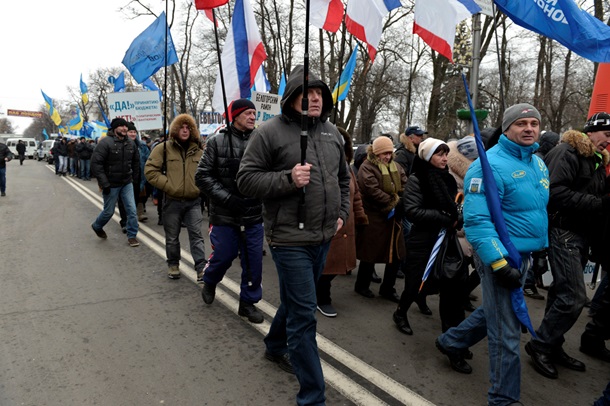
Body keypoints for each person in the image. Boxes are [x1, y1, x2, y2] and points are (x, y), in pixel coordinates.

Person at [236, 65, 350, 406]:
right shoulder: (269, 132)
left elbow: (344, 180)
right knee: (304, 316)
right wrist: (288, 178)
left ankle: (273, 345)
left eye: (320, 94)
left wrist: (342, 214)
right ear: (292, 98)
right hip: (289, 239)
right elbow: (246, 180)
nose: (315, 98)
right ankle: (313, 398)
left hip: (324, 236)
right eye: (307, 92)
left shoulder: (333, 133)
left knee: (297, 302)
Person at [436, 103, 549, 406]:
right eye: (521, 123)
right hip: (500, 257)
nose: (529, 129)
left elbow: (535, 211)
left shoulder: (538, 163)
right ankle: (503, 398)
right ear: (507, 128)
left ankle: (451, 340)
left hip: (524, 256)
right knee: (507, 333)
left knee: (498, 313)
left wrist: (540, 251)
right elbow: (477, 222)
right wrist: (499, 263)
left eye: (534, 123)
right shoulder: (487, 166)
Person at [525, 112, 610, 380]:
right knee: (574, 297)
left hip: (581, 234)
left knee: (560, 292)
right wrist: (599, 204)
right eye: (607, 135)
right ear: (592, 131)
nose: (609, 142)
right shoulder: (567, 152)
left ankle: (553, 344)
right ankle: (539, 344)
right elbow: (555, 192)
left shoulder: (595, 160)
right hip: (564, 232)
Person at [196, 99, 265, 324]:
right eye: (248, 113)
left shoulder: (262, 141)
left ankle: (247, 303)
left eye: (255, 113)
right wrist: (228, 198)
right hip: (224, 214)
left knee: (253, 261)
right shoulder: (217, 142)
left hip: (253, 213)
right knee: (224, 255)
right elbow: (202, 176)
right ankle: (210, 279)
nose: (253, 117)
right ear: (235, 116)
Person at [393, 138, 465, 335]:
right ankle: (400, 312)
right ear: (427, 156)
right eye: (439, 154)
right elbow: (413, 211)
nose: (444, 159)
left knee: (437, 278)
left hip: (443, 238)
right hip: (422, 238)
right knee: (415, 279)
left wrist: (458, 215)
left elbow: (452, 205)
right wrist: (444, 218)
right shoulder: (418, 179)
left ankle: (421, 298)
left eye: (445, 154)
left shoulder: (447, 178)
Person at [145, 114, 207, 280]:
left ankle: (201, 267)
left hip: (194, 202)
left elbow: (207, 174)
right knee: (172, 237)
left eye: (188, 128)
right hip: (172, 201)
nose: (185, 130)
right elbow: (150, 170)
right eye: (181, 127)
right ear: (175, 130)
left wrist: (199, 188)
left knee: (196, 235)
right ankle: (173, 263)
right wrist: (169, 185)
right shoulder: (163, 148)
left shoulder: (200, 152)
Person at [316, 127, 368, 318]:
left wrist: (360, 215)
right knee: (327, 265)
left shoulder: (346, 167)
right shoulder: (321, 166)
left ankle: (316, 292)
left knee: (339, 264)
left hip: (346, 223)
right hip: (327, 223)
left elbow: (355, 196)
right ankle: (321, 298)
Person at [354, 136, 407, 303]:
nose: (387, 156)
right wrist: (394, 201)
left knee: (396, 255)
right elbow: (372, 190)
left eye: (390, 153)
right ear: (376, 153)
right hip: (374, 216)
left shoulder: (396, 167)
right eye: (384, 153)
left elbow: (405, 184)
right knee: (370, 253)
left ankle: (388, 288)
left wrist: (404, 199)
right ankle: (362, 285)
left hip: (393, 218)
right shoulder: (367, 167)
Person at [90, 117, 141, 247]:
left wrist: (134, 179)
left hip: (126, 183)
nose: (125, 128)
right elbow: (96, 164)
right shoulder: (105, 143)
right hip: (110, 184)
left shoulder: (130, 143)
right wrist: (104, 183)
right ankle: (97, 226)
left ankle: (132, 236)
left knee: (132, 210)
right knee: (109, 211)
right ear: (114, 128)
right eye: (121, 126)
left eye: (126, 126)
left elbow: (136, 162)